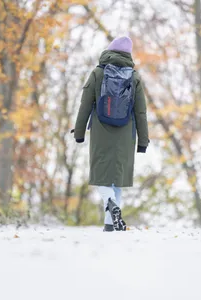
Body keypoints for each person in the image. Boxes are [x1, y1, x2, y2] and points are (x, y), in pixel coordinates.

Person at [73, 36, 149, 231]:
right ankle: (110, 224)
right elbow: (141, 112)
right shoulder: (135, 77)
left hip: (101, 132)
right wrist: (143, 141)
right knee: (118, 178)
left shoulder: (98, 73)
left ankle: (110, 203)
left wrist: (79, 133)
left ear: (109, 50)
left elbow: (85, 105)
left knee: (101, 175)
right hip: (126, 135)